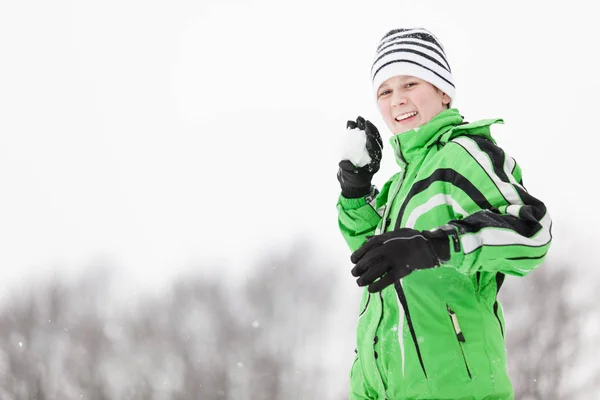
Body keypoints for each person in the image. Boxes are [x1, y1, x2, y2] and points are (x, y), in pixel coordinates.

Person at [336, 28, 552, 400]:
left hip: (454, 389)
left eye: (409, 83)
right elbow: (373, 259)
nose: (397, 99)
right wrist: (356, 192)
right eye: (385, 91)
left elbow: (531, 234)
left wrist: (435, 246)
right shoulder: (402, 180)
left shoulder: (463, 155)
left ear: (442, 91)